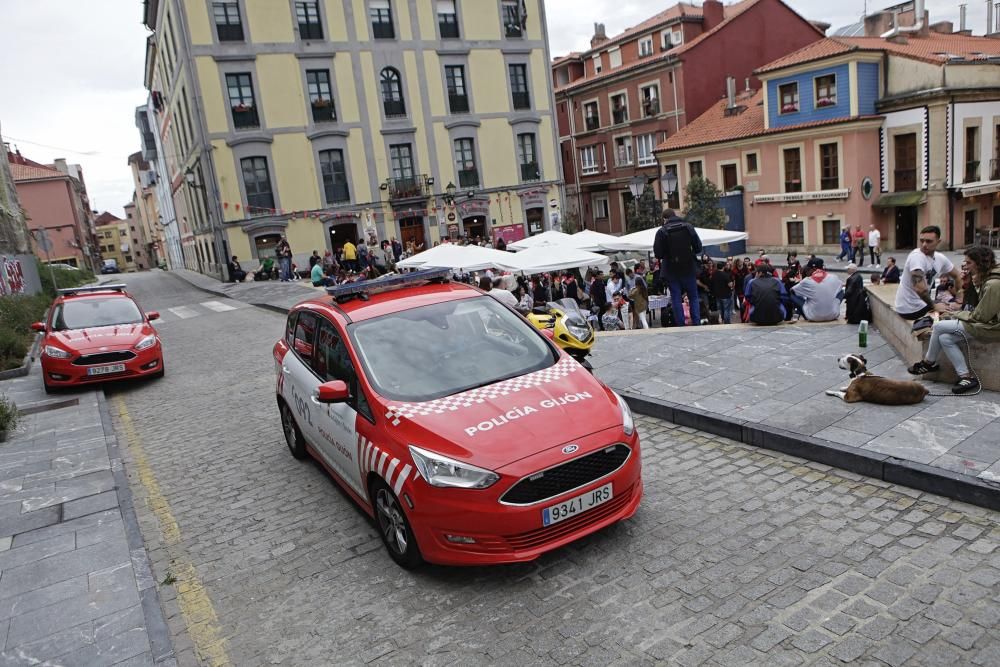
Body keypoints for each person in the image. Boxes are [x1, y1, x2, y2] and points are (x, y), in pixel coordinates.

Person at [908, 246, 1000, 394]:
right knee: (945, 338)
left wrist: (956, 314)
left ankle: (928, 362)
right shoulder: (987, 277)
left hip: (992, 328)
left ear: (979, 263)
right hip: (988, 323)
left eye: (969, 262)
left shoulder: (993, 283)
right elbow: (975, 305)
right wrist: (967, 285)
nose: (965, 266)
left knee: (939, 327)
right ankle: (966, 376)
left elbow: (981, 316)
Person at [895, 225, 962, 320]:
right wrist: (934, 306)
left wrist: (959, 297)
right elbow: (920, 289)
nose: (924, 244)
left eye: (929, 241)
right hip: (910, 309)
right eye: (922, 241)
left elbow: (957, 275)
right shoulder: (916, 257)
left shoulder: (940, 258)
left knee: (955, 308)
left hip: (922, 304)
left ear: (938, 242)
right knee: (953, 315)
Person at [653, 209, 703, 327]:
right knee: (693, 297)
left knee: (676, 298)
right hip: (688, 268)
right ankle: (696, 322)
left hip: (671, 270)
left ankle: (680, 324)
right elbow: (698, 248)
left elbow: (658, 254)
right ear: (675, 215)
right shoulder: (688, 227)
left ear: (664, 219)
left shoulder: (662, 231)